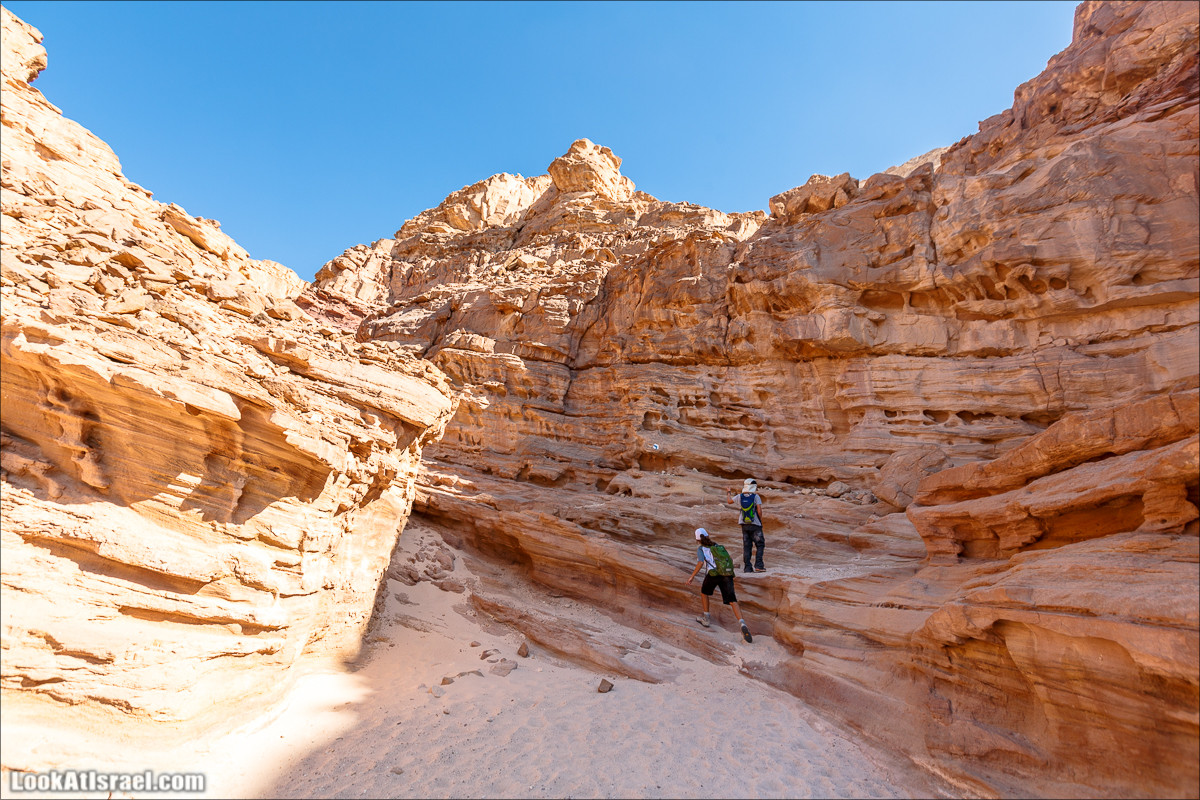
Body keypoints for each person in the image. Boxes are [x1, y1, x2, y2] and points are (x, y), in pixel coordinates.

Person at [684, 527, 752, 643]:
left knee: (704, 593)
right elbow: (729, 559)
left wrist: (692, 576)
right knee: (732, 600)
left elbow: (700, 562)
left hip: (713, 574)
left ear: (697, 540)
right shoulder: (717, 546)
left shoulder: (701, 549)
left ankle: (706, 618)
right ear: (707, 536)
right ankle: (742, 623)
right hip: (726, 574)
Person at [727, 478, 765, 573]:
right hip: (755, 524)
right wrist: (760, 520)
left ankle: (747, 568)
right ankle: (759, 565)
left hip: (744, 524)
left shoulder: (740, 496)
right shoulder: (756, 497)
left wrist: (728, 492)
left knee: (747, 546)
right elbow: (759, 511)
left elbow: (729, 501)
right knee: (760, 544)